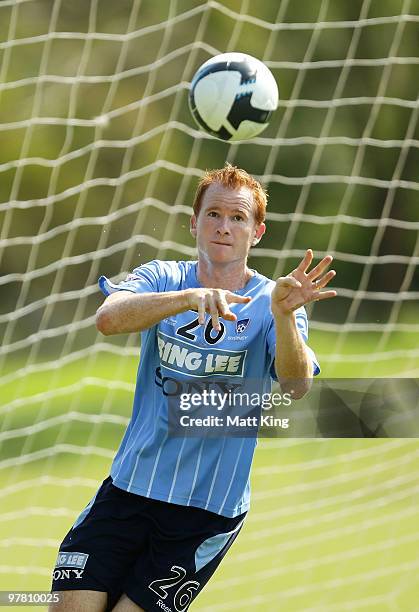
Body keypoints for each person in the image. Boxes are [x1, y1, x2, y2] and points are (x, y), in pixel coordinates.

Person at [50, 164, 336, 612]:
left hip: (204, 514)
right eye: (214, 214)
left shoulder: (273, 301)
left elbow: (296, 385)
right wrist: (187, 298)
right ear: (193, 222)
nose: (224, 227)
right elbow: (108, 319)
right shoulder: (163, 277)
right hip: (127, 491)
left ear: (257, 232)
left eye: (238, 218)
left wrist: (283, 317)